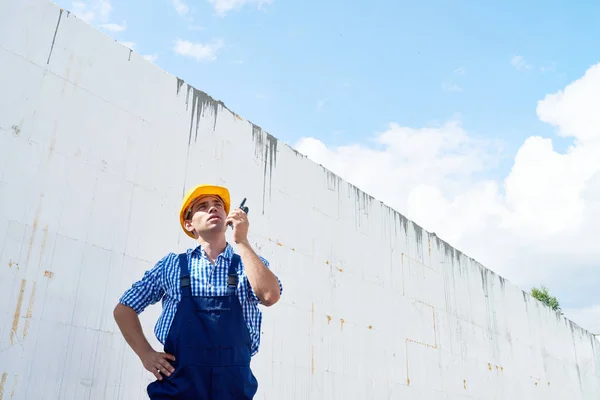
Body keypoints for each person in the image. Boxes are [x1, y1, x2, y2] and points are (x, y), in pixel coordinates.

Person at [113, 184, 283, 399]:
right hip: (179, 387)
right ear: (189, 223)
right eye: (203, 206)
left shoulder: (248, 264)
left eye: (218, 205)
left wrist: (242, 241)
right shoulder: (172, 265)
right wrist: (146, 354)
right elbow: (124, 309)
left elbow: (269, 296)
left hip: (233, 389)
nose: (213, 209)